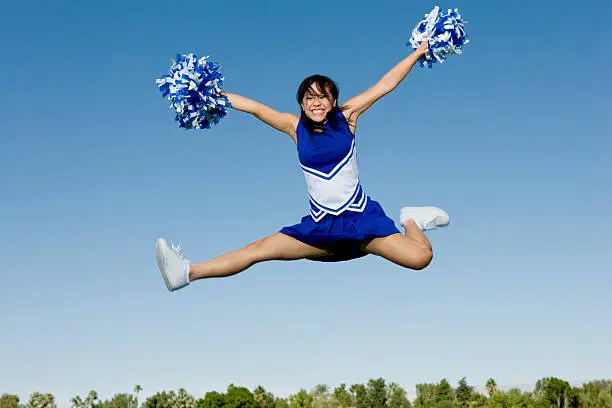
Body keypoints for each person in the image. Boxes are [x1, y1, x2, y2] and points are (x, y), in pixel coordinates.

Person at [155, 41, 449, 292]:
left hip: (362, 223)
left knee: (421, 258)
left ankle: (410, 219)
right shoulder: (295, 128)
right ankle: (187, 273)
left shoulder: (347, 118)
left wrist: (418, 52)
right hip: (321, 229)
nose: (316, 103)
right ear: (302, 103)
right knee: (257, 251)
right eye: (310, 98)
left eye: (323, 97)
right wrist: (209, 94)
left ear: (333, 101)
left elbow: (386, 84)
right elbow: (255, 107)